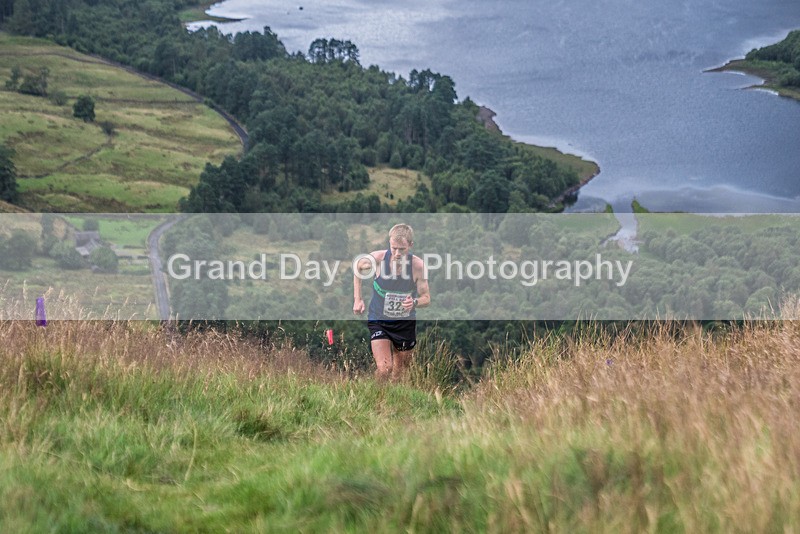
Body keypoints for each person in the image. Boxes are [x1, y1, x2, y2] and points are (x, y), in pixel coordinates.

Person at [353, 223, 430, 379]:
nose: (397, 253)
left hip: (404, 323)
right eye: (393, 248)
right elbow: (358, 268)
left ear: (410, 245)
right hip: (379, 319)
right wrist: (358, 299)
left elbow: (426, 298)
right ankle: (374, 394)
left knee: (399, 374)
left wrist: (414, 302)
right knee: (384, 369)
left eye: (402, 249)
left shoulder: (418, 266)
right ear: (389, 243)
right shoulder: (378, 259)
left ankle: (389, 395)